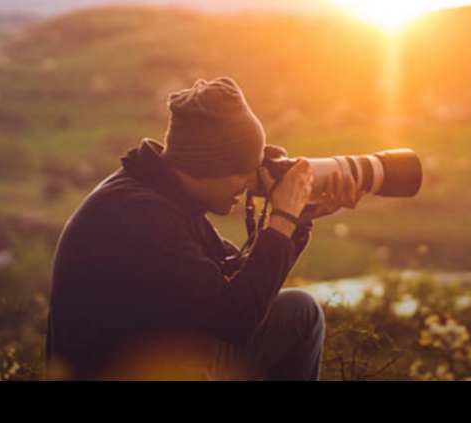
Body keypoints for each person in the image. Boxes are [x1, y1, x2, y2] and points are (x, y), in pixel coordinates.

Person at [46, 77, 363, 380]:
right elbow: (233, 319)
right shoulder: (139, 215)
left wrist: (298, 219)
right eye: (244, 172)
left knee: (297, 309)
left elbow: (236, 282)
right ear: (210, 166)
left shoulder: (162, 195)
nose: (250, 185)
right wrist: (281, 218)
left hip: (159, 362)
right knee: (299, 312)